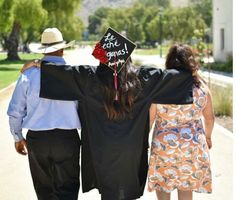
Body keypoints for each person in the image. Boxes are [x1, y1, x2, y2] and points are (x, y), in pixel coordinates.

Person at [21, 30, 193, 200]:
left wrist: (39, 64)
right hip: (131, 152)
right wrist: (191, 71)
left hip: (101, 151)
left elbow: (62, 73)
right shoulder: (143, 79)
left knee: (109, 192)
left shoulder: (89, 78)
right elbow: (178, 77)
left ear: (103, 58)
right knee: (126, 190)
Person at [7, 28, 81, 200]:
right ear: (62, 49)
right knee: (68, 189)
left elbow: (15, 111)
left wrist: (17, 137)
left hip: (37, 140)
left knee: (44, 191)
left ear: (43, 50)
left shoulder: (28, 74)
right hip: (66, 139)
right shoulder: (75, 75)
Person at [148, 44, 215, 200]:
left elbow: (150, 119)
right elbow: (210, 117)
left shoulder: (161, 87)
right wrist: (208, 137)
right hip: (192, 146)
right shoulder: (201, 86)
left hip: (163, 146)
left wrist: (143, 140)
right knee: (186, 187)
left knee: (163, 185)